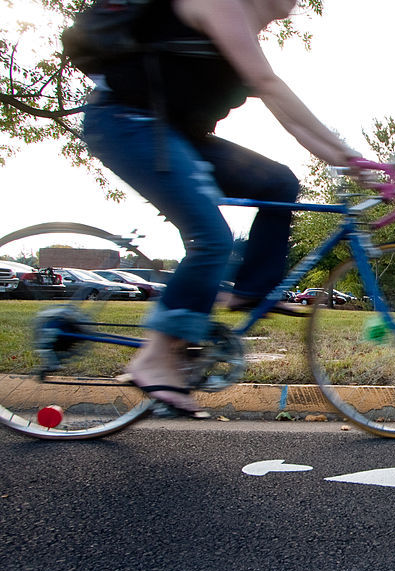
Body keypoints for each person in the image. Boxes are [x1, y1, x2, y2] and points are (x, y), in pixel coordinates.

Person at [82, 0, 371, 417]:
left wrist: (351, 161)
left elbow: (288, 114)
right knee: (212, 239)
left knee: (278, 182)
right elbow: (269, 84)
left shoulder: (243, 32)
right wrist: (349, 159)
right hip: (127, 122)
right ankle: (154, 356)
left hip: (176, 135)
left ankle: (253, 291)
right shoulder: (220, 3)